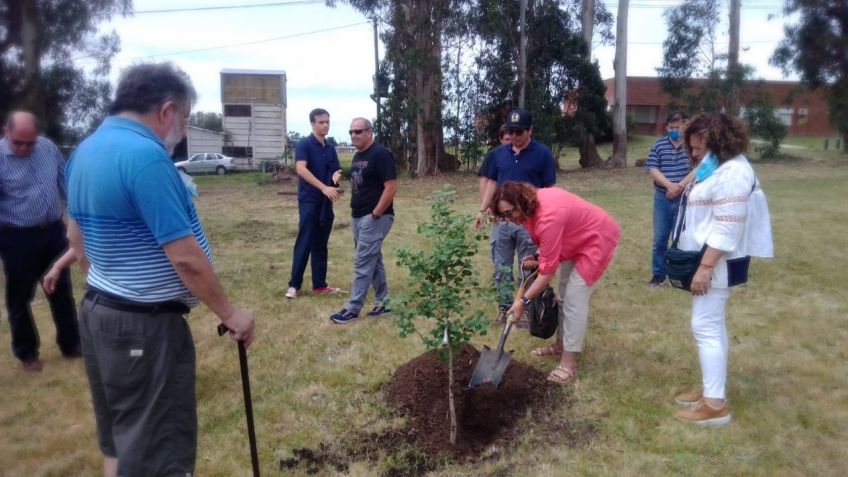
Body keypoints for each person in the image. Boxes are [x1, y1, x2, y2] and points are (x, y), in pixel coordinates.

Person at [65, 62, 256, 477]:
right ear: (166, 110)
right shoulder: (146, 158)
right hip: (144, 328)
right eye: (185, 119)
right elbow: (185, 257)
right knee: (157, 451)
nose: (184, 132)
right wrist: (230, 314)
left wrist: (112, 281)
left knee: (121, 438)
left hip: (100, 313)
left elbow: (77, 240)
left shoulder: (85, 150)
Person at [673, 112, 773, 426]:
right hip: (714, 259)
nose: (693, 153)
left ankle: (714, 406)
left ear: (718, 142)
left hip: (718, 262)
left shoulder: (732, 173)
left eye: (698, 147)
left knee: (704, 326)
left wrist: (704, 268)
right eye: (691, 147)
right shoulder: (718, 168)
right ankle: (711, 389)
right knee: (712, 326)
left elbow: (728, 227)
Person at [494, 182, 620, 385]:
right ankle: (561, 345)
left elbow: (546, 274)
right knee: (563, 295)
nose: (509, 219)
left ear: (520, 202)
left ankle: (569, 362)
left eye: (510, 213)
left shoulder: (548, 217)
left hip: (596, 239)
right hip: (574, 238)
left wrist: (522, 301)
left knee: (574, 299)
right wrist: (540, 256)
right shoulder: (530, 209)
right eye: (504, 216)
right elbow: (548, 244)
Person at [0, 111, 80, 373]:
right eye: (18, 143)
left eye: (30, 143)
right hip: (16, 237)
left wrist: (76, 215)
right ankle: (27, 353)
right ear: (5, 132)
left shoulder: (47, 148)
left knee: (61, 292)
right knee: (19, 299)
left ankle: (71, 345)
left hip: (53, 232)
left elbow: (65, 182)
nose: (25, 148)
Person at [477, 109, 557, 320]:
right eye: (511, 132)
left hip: (529, 222)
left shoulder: (543, 154)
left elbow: (549, 189)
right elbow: (492, 182)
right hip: (502, 221)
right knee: (501, 266)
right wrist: (483, 209)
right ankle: (504, 309)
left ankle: (526, 310)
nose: (514, 136)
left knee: (528, 267)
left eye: (519, 132)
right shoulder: (499, 154)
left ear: (530, 130)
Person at [330, 117, 397, 324]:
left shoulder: (381, 154)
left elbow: (391, 186)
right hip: (358, 217)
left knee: (362, 262)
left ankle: (352, 308)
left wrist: (376, 213)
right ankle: (383, 303)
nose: (353, 135)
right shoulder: (358, 155)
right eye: (351, 132)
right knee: (373, 260)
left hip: (376, 217)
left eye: (358, 131)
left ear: (369, 132)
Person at [285, 108, 344, 299]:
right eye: (321, 122)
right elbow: (301, 170)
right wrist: (323, 188)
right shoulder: (304, 144)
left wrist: (335, 180)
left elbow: (334, 175)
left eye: (327, 122)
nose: (325, 125)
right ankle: (294, 285)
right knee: (305, 241)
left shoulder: (330, 148)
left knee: (321, 244)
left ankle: (319, 285)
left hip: (326, 203)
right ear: (312, 124)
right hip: (309, 201)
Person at [645, 111, 693, 287]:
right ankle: (658, 274)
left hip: (685, 199)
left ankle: (680, 273)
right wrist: (669, 186)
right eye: (671, 128)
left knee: (681, 238)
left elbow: (697, 170)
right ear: (666, 127)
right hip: (662, 199)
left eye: (677, 127)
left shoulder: (691, 147)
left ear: (684, 125)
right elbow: (653, 169)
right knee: (660, 239)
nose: (674, 130)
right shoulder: (659, 146)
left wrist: (680, 187)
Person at [477, 125, 511, 203]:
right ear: (501, 140)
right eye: (507, 139)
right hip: (497, 199)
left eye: (511, 139)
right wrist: (484, 206)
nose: (510, 142)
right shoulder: (492, 155)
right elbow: (484, 181)